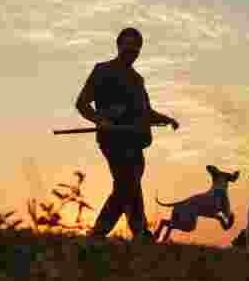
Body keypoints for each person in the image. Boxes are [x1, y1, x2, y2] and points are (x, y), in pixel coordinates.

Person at [75, 27, 179, 241]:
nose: (132, 50)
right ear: (119, 45)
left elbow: (146, 113)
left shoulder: (137, 79)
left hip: (136, 141)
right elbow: (82, 103)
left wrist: (165, 119)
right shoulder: (103, 70)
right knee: (127, 184)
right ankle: (102, 232)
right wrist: (101, 120)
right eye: (128, 45)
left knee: (129, 185)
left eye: (136, 47)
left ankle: (139, 232)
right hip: (113, 139)